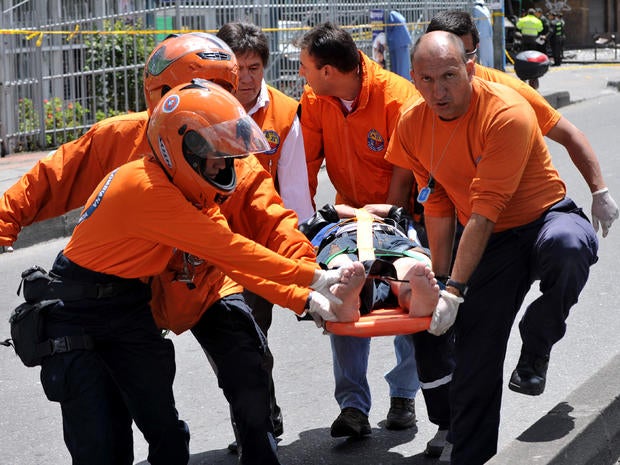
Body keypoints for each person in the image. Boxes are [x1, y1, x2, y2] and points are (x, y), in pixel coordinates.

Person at [0, 33, 332, 465]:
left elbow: (268, 228)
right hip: (130, 297)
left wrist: (310, 285)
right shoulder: (119, 144)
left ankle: (260, 445)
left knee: (247, 377)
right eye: (199, 91)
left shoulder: (231, 158)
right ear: (162, 97)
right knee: (106, 432)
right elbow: (45, 181)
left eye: (221, 93)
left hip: (207, 282)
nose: (211, 106)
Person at [385, 30, 599, 464]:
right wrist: (442, 278)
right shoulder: (411, 125)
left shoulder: (507, 112)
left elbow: (483, 213)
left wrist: (455, 290)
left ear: (469, 68)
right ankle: (469, 455)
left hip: (544, 218)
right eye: (426, 79)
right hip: (492, 243)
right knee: (475, 357)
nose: (438, 90)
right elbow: (439, 201)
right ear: (413, 77)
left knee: (569, 247)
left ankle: (537, 344)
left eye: (449, 75)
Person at [422, 8, 618, 397]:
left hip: (535, 216)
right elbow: (427, 191)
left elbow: (570, 135)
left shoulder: (509, 98)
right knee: (461, 329)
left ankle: (536, 346)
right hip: (477, 228)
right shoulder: (424, 105)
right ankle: (456, 431)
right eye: (434, 71)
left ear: (473, 56)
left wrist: (599, 191)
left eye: (457, 65)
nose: (446, 83)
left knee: (568, 248)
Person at [297, 21, 435, 440]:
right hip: (346, 218)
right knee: (347, 294)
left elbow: (403, 168)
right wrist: (301, 229)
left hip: (397, 216)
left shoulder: (397, 98)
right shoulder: (316, 98)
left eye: (305, 66)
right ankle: (353, 406)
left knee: (407, 294)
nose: (300, 73)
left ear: (328, 71)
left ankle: (403, 396)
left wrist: (385, 220)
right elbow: (304, 164)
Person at [215, 22, 313, 450]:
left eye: (254, 67)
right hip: (208, 246)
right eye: (238, 68)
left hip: (258, 248)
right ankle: (259, 418)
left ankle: (259, 424)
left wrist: (302, 261)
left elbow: (294, 194)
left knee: (250, 338)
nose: (247, 78)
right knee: (226, 347)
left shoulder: (286, 115)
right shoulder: (204, 107)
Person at [298, 202, 453, 440]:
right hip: (363, 243)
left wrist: (362, 211)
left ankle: (366, 295)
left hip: (362, 243)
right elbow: (315, 224)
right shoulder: (332, 224)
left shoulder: (388, 223)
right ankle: (395, 291)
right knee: (385, 267)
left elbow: (395, 212)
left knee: (400, 266)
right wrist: (367, 212)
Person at [472, 0, 493, 67]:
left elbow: (475, 22)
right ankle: (488, 67)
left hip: (484, 34)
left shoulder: (478, 8)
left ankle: (487, 68)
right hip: (486, 34)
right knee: (487, 54)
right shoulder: (483, 8)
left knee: (485, 54)